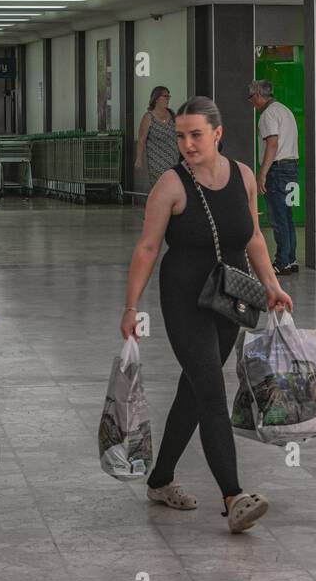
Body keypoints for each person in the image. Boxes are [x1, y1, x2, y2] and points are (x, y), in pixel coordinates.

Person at [120, 97, 292, 533]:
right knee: (211, 389)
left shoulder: (244, 177)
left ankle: (160, 480)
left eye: (196, 134)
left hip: (231, 296)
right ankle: (233, 497)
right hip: (184, 298)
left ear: (218, 133)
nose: (188, 144)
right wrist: (130, 306)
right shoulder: (170, 186)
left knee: (194, 391)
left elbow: (252, 236)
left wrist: (271, 284)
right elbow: (146, 248)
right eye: (181, 136)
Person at [248, 80, 300, 275]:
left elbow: (272, 144)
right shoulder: (285, 110)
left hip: (277, 170)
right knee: (287, 216)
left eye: (252, 98)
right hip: (292, 167)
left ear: (259, 95)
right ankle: (291, 259)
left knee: (278, 218)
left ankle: (282, 262)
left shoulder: (267, 115)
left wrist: (262, 173)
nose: (252, 103)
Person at [135, 86, 179, 189]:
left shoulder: (172, 115)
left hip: (173, 158)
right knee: (162, 186)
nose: (168, 99)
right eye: (165, 96)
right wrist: (139, 158)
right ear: (156, 98)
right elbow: (141, 140)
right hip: (156, 160)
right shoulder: (148, 117)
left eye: (169, 96)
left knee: (172, 186)